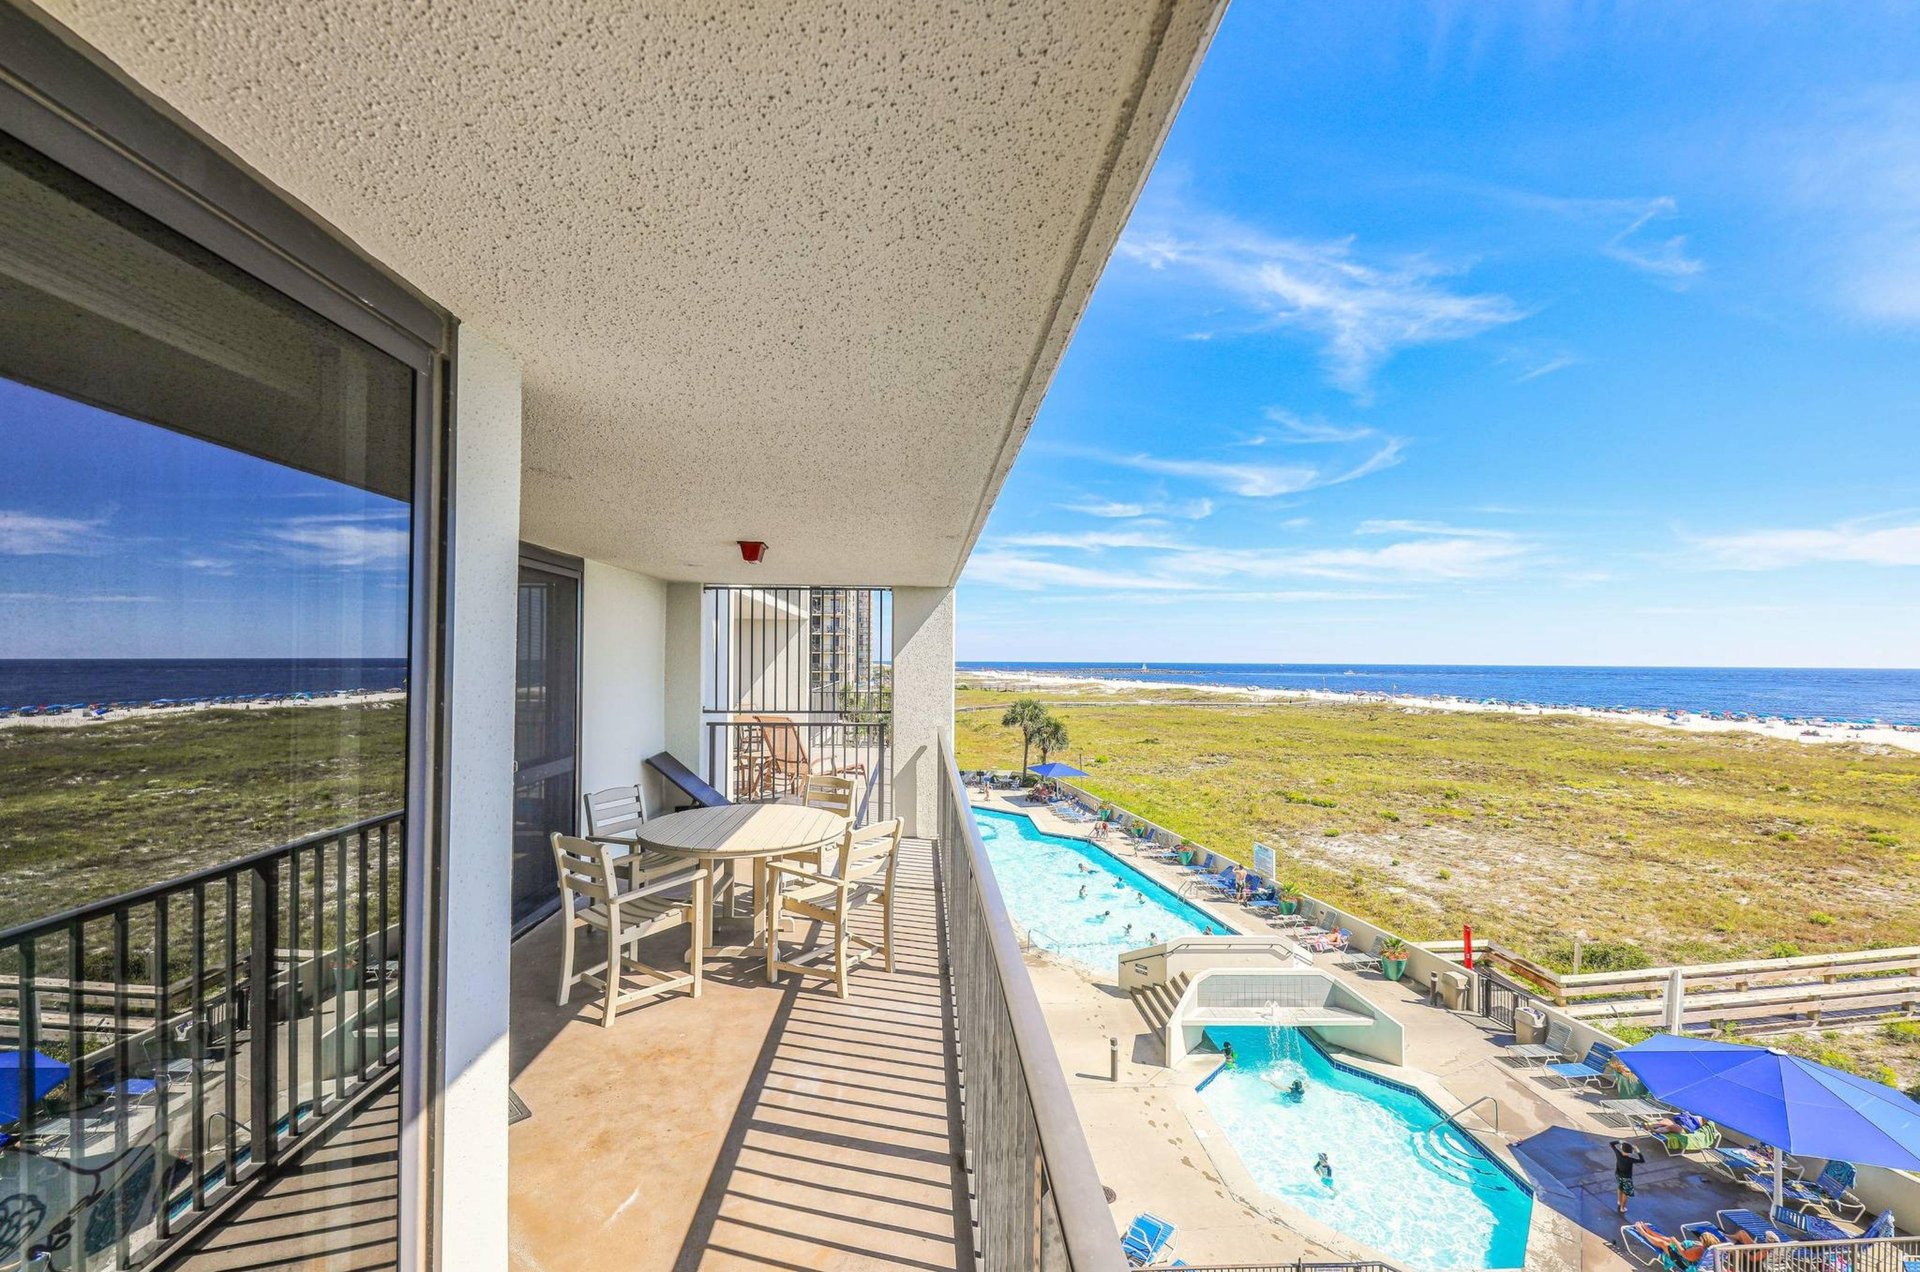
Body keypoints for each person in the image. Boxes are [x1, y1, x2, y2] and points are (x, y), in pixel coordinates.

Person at [1629, 1222, 1721, 1265]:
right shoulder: (1712, 1250)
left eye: (1701, 1239)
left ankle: (1643, 1233)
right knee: (1669, 1240)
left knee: (1663, 1243)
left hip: (1681, 1260)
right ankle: (1648, 1230)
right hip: (1684, 1251)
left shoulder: (1700, 1250)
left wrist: (1676, 1242)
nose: (1699, 1240)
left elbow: (1685, 1255)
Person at [1612, 1139, 1645, 1215]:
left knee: (1620, 1187)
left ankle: (1619, 1201)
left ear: (1622, 1149)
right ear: (1630, 1152)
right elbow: (1642, 1160)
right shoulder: (1630, 1160)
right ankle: (1622, 1208)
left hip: (1618, 1174)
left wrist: (1620, 1141)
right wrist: (1638, 1151)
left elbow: (1611, 1144)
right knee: (1626, 1193)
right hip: (1627, 1178)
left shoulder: (1618, 1154)